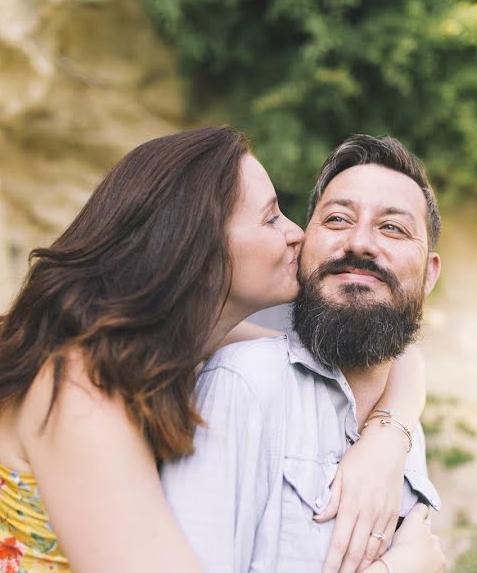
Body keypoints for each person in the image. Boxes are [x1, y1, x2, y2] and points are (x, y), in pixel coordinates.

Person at [0, 127, 445, 572]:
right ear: (197, 246)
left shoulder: (167, 343)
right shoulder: (79, 386)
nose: (297, 235)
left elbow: (393, 359)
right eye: (270, 218)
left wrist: (387, 436)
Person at [161, 134, 446, 573]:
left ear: (429, 275)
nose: (360, 243)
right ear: (304, 249)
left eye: (392, 227)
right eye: (336, 219)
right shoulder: (245, 383)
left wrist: (392, 432)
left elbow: (407, 359)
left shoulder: (407, 429)